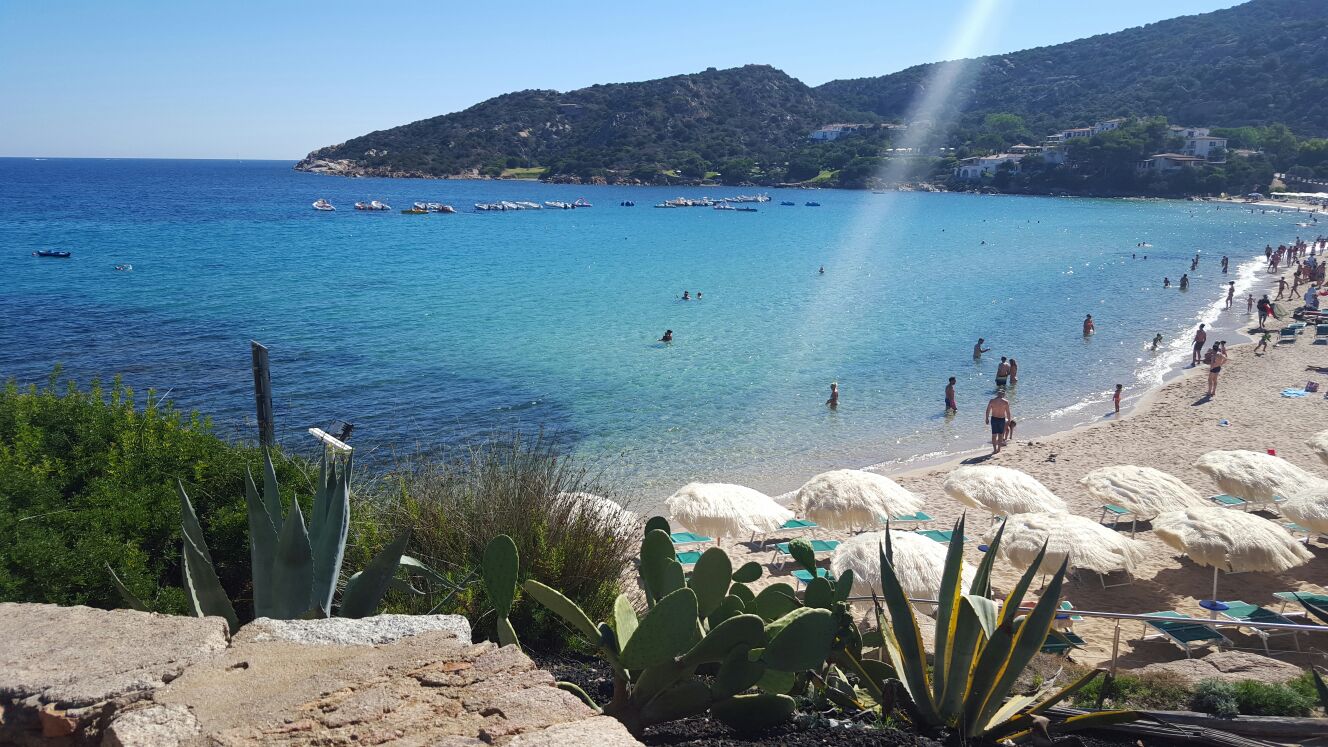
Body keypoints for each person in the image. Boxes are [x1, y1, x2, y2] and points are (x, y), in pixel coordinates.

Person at [985, 389, 1012, 454]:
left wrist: (987, 418)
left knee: (994, 434)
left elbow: (988, 410)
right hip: (1001, 419)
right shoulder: (1005, 402)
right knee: (1000, 434)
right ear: (1003, 394)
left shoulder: (992, 401)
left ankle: (995, 449)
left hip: (994, 419)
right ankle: (999, 449)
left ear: (997, 394)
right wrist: (1009, 420)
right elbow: (1008, 412)